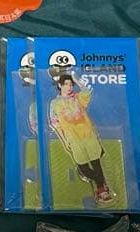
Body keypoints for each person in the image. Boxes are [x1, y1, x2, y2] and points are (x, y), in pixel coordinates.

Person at [48, 73, 114, 204]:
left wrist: (76, 79)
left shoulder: (78, 98)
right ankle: (101, 181)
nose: (69, 87)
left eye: (71, 84)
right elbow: (55, 123)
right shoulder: (55, 103)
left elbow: (87, 91)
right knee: (83, 167)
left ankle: (102, 190)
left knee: (96, 163)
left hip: (88, 135)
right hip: (73, 139)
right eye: (66, 84)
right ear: (60, 85)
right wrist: (64, 140)